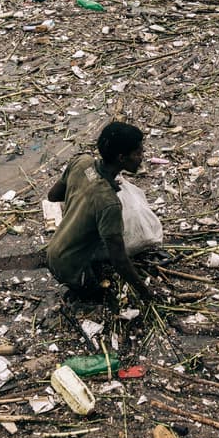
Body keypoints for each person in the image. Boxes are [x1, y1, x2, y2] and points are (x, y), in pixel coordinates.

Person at [45, 121, 155, 304]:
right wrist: (144, 292)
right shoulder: (109, 203)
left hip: (55, 250)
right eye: (137, 153)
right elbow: (119, 260)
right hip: (70, 268)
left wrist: (84, 194)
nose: (141, 157)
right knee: (99, 298)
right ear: (121, 158)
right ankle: (81, 289)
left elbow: (53, 196)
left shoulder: (82, 163)